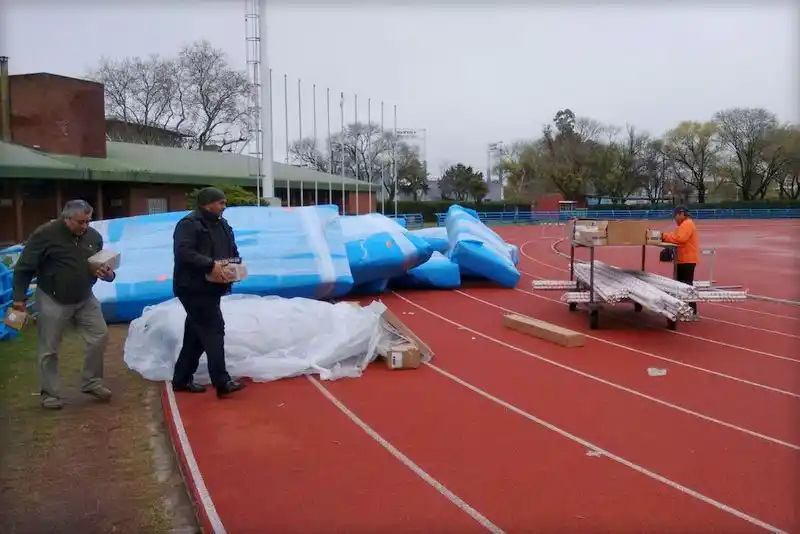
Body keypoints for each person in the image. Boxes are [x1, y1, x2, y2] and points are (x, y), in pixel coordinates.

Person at [12, 200, 116, 410]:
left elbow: (98, 266)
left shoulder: (93, 237)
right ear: (65, 218)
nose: (85, 226)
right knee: (49, 348)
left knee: (100, 335)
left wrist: (108, 274)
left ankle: (91, 382)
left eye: (88, 221)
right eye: (80, 222)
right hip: (52, 297)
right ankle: (49, 394)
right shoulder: (44, 235)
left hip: (85, 297)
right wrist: (19, 298)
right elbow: (24, 268)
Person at [171, 187, 244, 398]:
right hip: (193, 288)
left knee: (195, 335)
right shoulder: (188, 225)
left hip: (214, 287)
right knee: (214, 330)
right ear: (207, 204)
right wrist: (210, 265)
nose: (224, 206)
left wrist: (234, 267)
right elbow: (183, 252)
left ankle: (182, 379)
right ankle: (222, 381)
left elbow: (231, 249)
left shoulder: (222, 225)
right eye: (221, 203)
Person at [662, 205, 699, 318]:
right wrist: (665, 236)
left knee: (687, 285)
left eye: (676, 216)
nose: (675, 219)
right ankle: (684, 308)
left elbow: (680, 239)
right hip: (683, 259)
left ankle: (692, 311)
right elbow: (675, 236)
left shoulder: (687, 224)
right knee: (681, 285)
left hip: (687, 259)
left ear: (681, 214)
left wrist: (663, 236)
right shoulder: (683, 225)